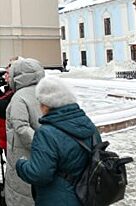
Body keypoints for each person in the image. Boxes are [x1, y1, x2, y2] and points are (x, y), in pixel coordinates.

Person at [16, 77, 100, 205]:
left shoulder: (46, 133)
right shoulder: (88, 124)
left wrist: (21, 165)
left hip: (57, 198)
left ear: (46, 105)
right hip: (87, 195)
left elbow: (39, 174)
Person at [5, 57, 46, 206]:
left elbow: (21, 128)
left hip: (24, 156)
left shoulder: (19, 97)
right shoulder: (44, 91)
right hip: (43, 160)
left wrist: (42, 146)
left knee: (22, 194)